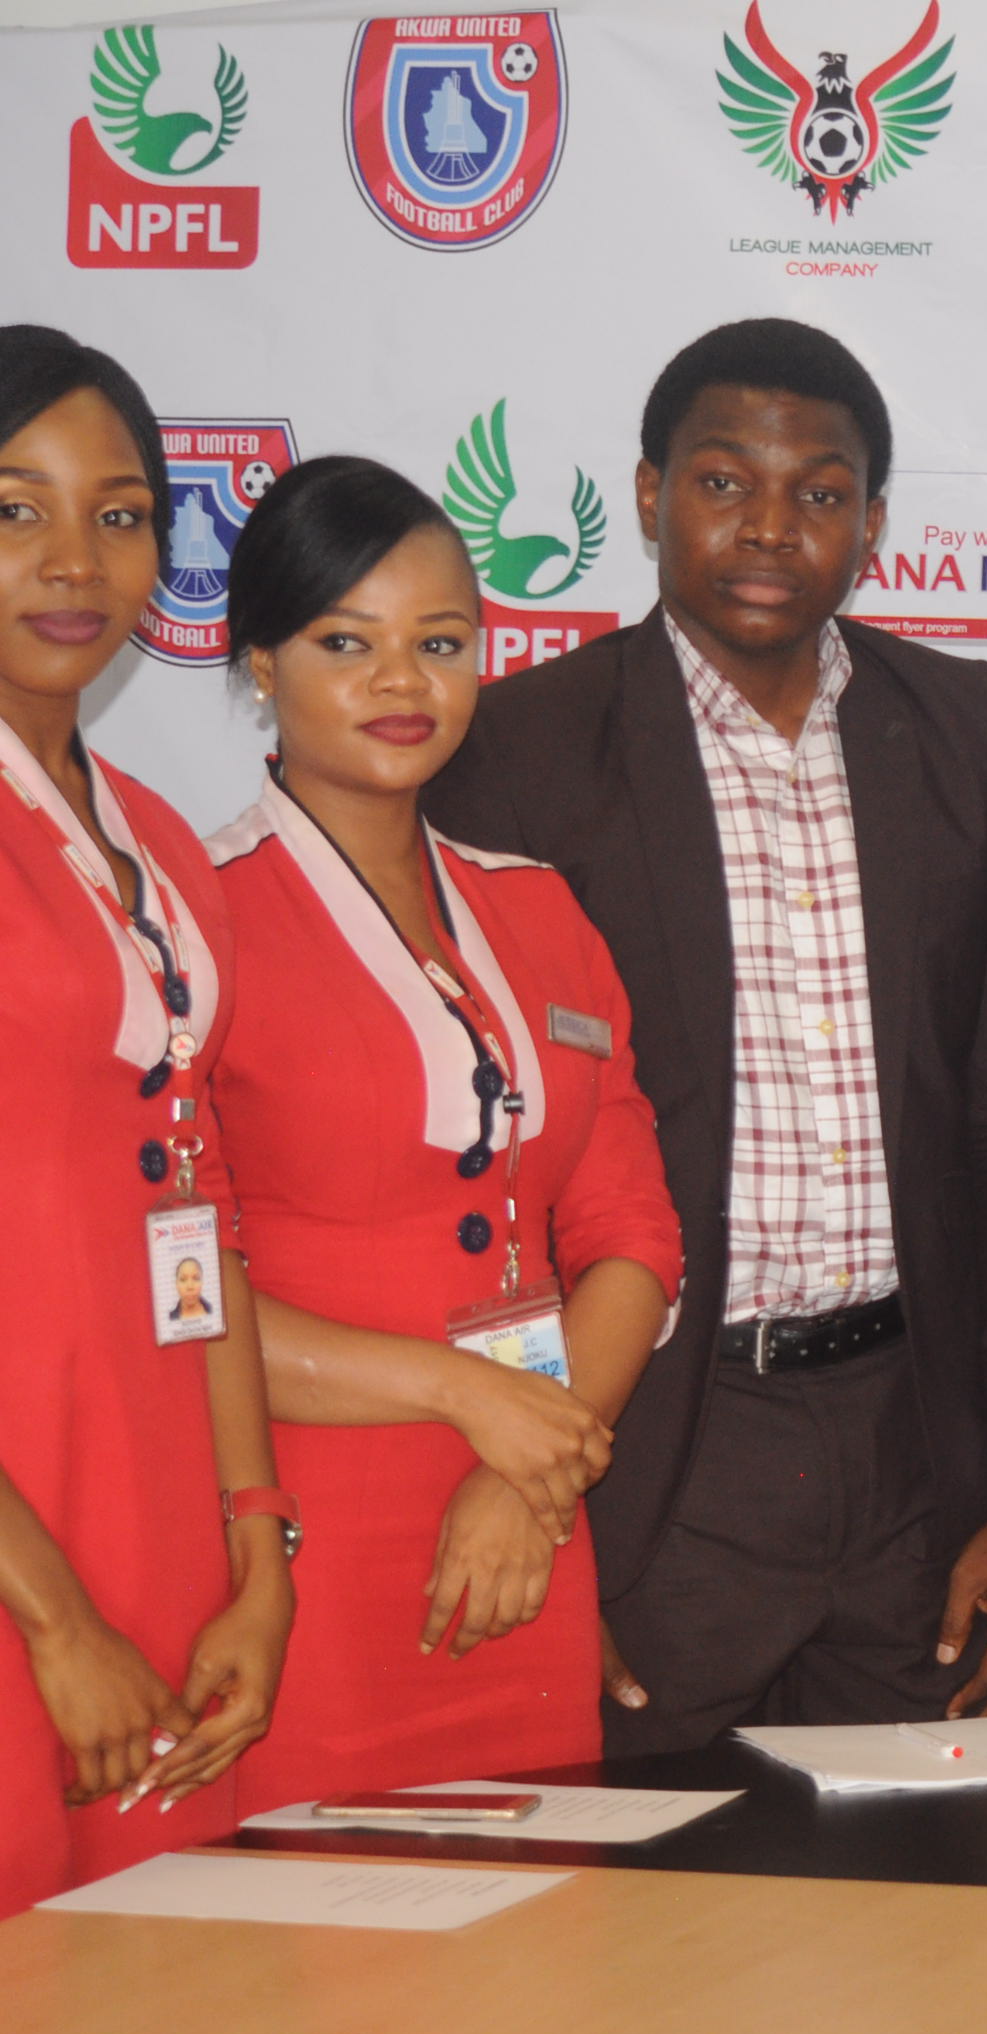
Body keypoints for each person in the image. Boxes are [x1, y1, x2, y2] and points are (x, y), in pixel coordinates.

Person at [422, 322, 987, 1749]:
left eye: (821, 493)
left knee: (928, 1935)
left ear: (875, 524)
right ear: (652, 495)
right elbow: (489, 1182)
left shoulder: (961, 725)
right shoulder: (523, 751)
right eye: (726, 484)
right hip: (659, 1447)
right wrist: (548, 1512)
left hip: (915, 1447)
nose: (772, 529)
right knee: (636, 1942)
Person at [206, 457, 680, 1808]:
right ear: (258, 665)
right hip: (303, 1545)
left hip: (526, 1527)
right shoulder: (199, 917)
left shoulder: (537, 911)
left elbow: (631, 1230)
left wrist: (529, 1477)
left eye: (440, 644)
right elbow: (176, 1297)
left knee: (535, 1974)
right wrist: (470, 1400)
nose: (400, 683)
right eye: (344, 644)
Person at [0, 326, 291, 1912]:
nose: (72, 560)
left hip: (163, 1525)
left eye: (119, 515)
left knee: (165, 2018)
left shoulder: (163, 841)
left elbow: (210, 1220)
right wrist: (53, 1620)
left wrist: (255, 1557)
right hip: (24, 1546)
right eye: (13, 508)